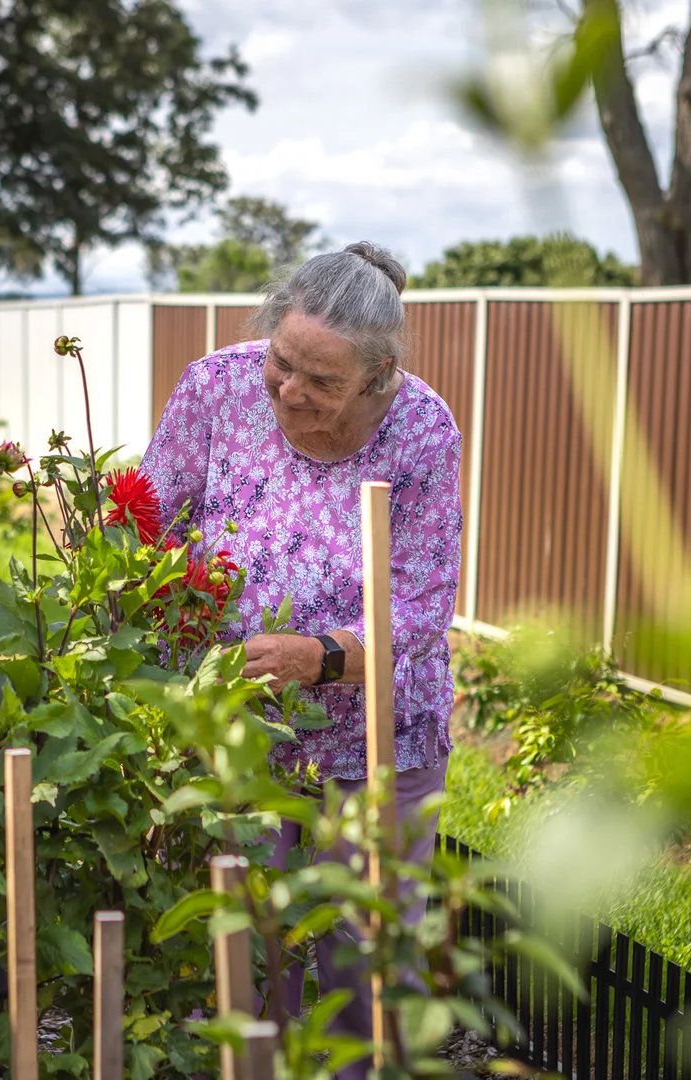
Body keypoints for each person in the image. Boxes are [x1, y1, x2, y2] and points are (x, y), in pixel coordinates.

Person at [141, 241, 463, 1075]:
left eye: (321, 382)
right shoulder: (217, 386)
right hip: (241, 730)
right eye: (282, 363)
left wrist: (318, 658)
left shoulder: (422, 430)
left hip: (375, 740)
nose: (289, 390)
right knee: (250, 951)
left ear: (377, 375)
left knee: (366, 959)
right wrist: (149, 596)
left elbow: (421, 611)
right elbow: (144, 527)